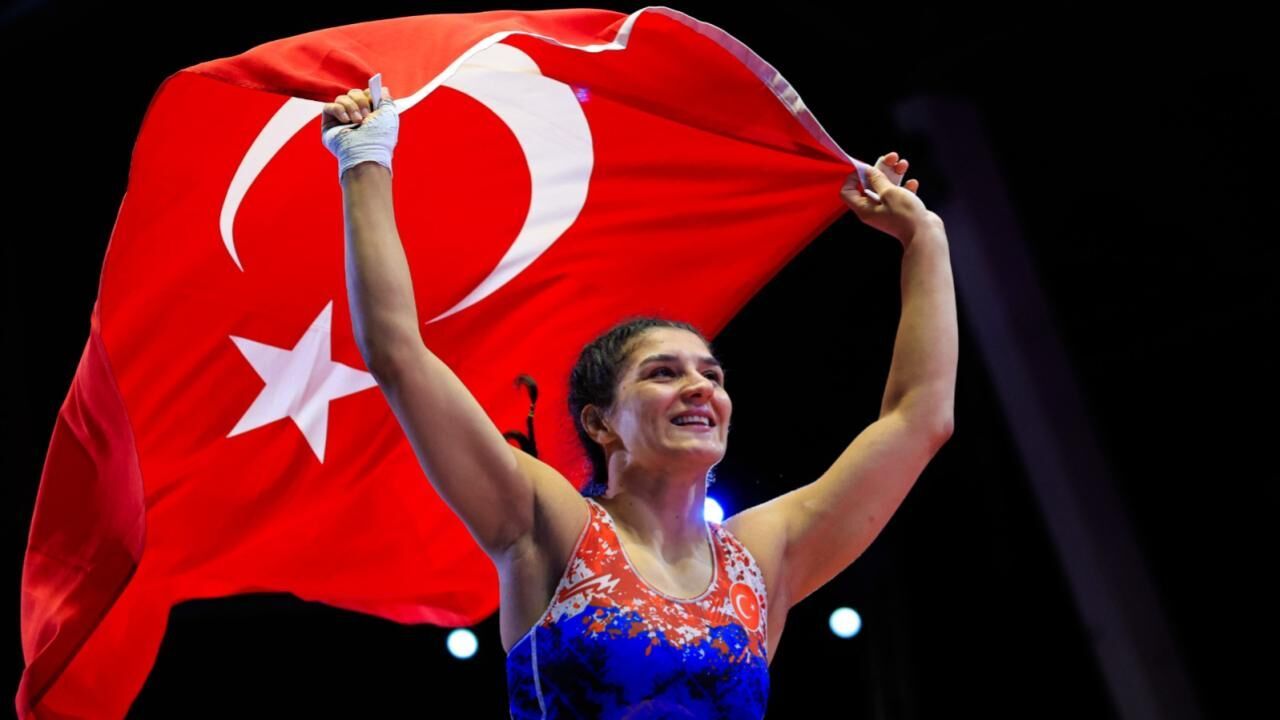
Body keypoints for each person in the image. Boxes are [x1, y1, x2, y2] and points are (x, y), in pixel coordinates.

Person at [323, 85, 955, 719]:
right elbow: (399, 356)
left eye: (712, 375)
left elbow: (918, 420)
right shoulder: (550, 525)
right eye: (663, 373)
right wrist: (364, 161)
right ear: (601, 422)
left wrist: (924, 238)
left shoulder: (763, 557)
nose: (701, 387)